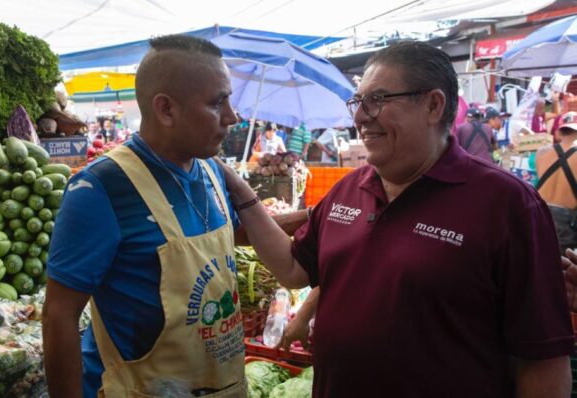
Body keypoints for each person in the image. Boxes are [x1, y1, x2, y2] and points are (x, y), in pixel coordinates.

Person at [219, 41, 573, 397]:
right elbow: (294, 270)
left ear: (433, 105)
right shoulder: (348, 190)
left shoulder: (508, 205)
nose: (359, 117)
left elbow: (542, 360)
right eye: (357, 102)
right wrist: (242, 195)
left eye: (377, 100)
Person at [43, 34, 307, 398]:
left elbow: (230, 233)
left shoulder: (213, 172)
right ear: (165, 109)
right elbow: (59, 314)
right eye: (217, 103)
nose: (232, 117)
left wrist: (316, 218)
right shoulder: (101, 189)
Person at [536, 111, 577, 254]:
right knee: (561, 270)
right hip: (565, 222)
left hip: (538, 214)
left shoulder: (541, 153)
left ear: (560, 132)